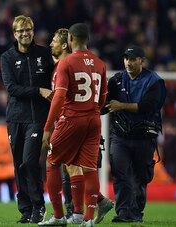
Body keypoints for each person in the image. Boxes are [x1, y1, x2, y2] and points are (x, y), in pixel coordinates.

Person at [43, 27, 113, 226]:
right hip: (94, 119)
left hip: (72, 118)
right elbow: (103, 97)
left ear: (71, 39)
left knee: (52, 162)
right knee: (89, 169)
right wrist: (92, 111)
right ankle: (87, 220)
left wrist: (48, 128)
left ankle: (58, 216)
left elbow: (58, 97)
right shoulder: (100, 63)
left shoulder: (66, 63)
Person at [0, 15, 54, 224]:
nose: (25, 33)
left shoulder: (44, 54)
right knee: (18, 164)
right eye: (21, 30)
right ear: (15, 34)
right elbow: (11, 88)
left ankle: (38, 206)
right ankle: (25, 209)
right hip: (15, 117)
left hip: (38, 118)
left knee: (29, 162)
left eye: (28, 29)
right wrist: (38, 90)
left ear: (33, 31)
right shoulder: (7, 57)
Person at [104, 45, 166, 223]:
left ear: (142, 61)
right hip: (120, 135)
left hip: (143, 136)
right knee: (120, 172)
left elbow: (149, 106)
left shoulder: (154, 81)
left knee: (140, 177)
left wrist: (121, 106)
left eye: (132, 59)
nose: (128, 63)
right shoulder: (116, 80)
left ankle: (136, 212)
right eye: (126, 59)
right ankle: (124, 212)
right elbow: (106, 104)